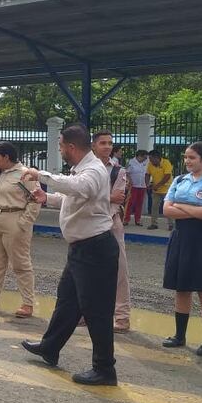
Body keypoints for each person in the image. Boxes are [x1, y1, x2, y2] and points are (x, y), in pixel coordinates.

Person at [20, 123, 120, 386]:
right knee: (67, 301)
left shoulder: (94, 170)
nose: (60, 150)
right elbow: (73, 198)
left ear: (71, 147)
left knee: (97, 310)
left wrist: (40, 174)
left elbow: (78, 188)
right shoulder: (83, 170)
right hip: (82, 249)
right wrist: (46, 198)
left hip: (95, 249)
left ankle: (105, 369)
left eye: (61, 146)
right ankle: (50, 347)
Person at [159, 142, 202, 356]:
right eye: (186, 157)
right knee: (182, 288)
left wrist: (180, 206)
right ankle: (179, 335)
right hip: (182, 238)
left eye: (192, 158)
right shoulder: (180, 180)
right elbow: (166, 209)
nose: (187, 161)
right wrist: (195, 210)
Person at [0, 141, 40, 318]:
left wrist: (24, 223)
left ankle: (27, 303)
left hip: (15, 219)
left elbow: (35, 200)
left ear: (6, 156)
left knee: (20, 264)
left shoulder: (24, 174)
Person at [92, 132, 133, 333]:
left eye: (110, 143)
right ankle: (85, 313)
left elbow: (119, 198)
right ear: (93, 145)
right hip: (89, 224)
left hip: (111, 223)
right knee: (87, 271)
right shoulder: (81, 169)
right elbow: (78, 195)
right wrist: (106, 197)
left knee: (119, 270)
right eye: (102, 143)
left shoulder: (118, 171)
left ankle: (122, 317)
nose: (107, 147)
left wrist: (95, 198)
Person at [146, 150, 174, 231]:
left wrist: (157, 185)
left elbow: (167, 176)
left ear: (157, 158)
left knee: (167, 208)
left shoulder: (166, 163)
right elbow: (147, 174)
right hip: (156, 191)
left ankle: (171, 224)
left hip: (167, 190)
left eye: (151, 159)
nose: (150, 161)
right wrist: (147, 183)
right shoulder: (150, 164)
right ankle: (154, 224)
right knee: (154, 207)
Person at [124, 150, 148, 227]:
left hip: (142, 186)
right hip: (133, 186)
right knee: (130, 203)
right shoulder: (131, 162)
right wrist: (130, 181)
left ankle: (138, 220)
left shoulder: (145, 163)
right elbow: (126, 173)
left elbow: (147, 174)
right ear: (140, 156)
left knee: (139, 204)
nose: (146, 158)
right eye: (144, 157)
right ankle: (126, 219)